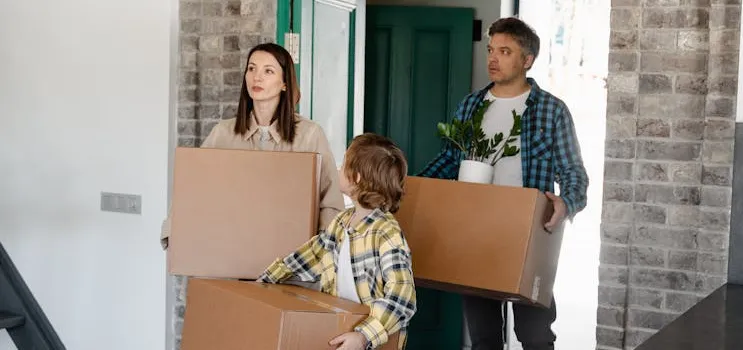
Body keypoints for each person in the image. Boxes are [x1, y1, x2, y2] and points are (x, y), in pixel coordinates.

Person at [417, 17, 589, 350]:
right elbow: (450, 161)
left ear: (527, 60)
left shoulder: (552, 111)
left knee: (536, 336)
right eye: (491, 49)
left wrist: (566, 202)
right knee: (484, 339)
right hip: (476, 233)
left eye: (505, 51)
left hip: (530, 234)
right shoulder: (470, 106)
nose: (493, 59)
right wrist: (415, 188)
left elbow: (573, 170)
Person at [159, 43, 345, 249]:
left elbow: (331, 201)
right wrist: (173, 231)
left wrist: (322, 249)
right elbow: (191, 188)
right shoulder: (222, 133)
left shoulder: (310, 134)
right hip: (230, 253)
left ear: (285, 83)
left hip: (291, 259)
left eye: (268, 71)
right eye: (251, 68)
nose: (257, 77)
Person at [258, 133, 417, 350]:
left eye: (344, 164)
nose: (339, 169)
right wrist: (266, 281)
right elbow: (312, 255)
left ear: (357, 177)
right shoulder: (342, 221)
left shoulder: (386, 233)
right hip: (342, 325)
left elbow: (402, 297)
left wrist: (363, 337)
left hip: (375, 339)